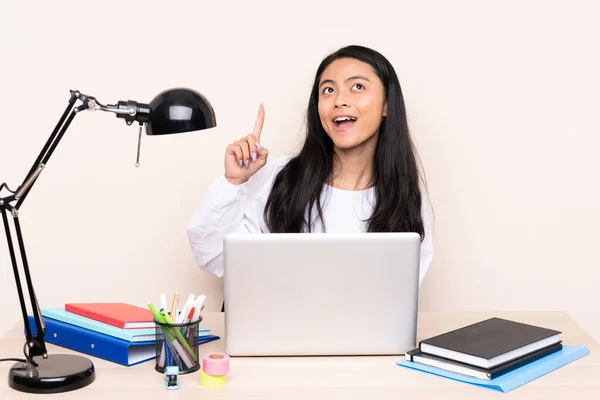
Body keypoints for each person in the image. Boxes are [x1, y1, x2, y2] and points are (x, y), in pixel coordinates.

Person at [187, 44, 434, 289]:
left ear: (387, 105)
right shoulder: (281, 178)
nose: (339, 100)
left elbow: (400, 296)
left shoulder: (407, 201)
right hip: (279, 326)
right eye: (328, 90)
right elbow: (214, 257)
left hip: (362, 328)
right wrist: (234, 182)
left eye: (357, 87)